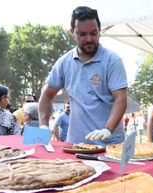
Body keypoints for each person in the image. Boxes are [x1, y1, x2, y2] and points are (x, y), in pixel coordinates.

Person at [39, 6, 128, 146]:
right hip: (75, 144)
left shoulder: (112, 60)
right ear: (72, 33)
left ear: (100, 31)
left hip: (110, 145)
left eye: (94, 33)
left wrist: (107, 129)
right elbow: (47, 95)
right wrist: (43, 125)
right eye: (82, 34)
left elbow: (121, 99)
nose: (89, 39)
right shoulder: (64, 62)